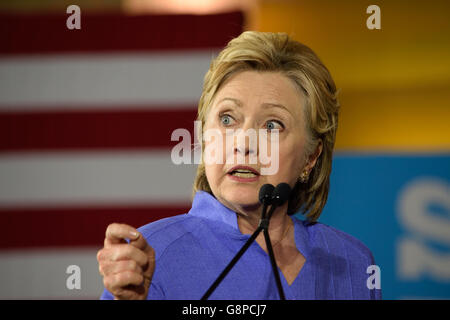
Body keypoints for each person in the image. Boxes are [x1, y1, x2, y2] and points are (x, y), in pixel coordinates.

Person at [97, 31, 382, 300]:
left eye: (272, 125)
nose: (244, 143)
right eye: (227, 119)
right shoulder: (153, 255)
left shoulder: (353, 262)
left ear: (311, 156)